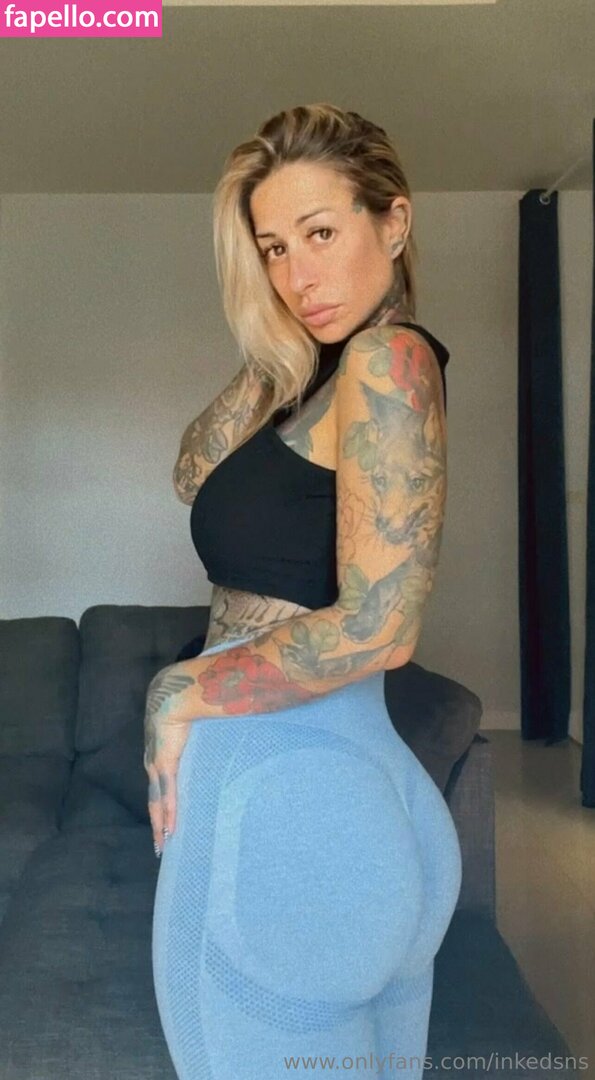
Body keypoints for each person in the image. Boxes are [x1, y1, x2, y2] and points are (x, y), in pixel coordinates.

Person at [151, 102, 462, 1080]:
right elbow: (192, 472)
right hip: (338, 793)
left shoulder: (386, 359)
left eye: (320, 234)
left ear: (394, 222)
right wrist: (274, 342)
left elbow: (381, 625)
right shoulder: (313, 381)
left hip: (291, 803)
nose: (297, 275)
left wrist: (178, 689)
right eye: (273, 250)